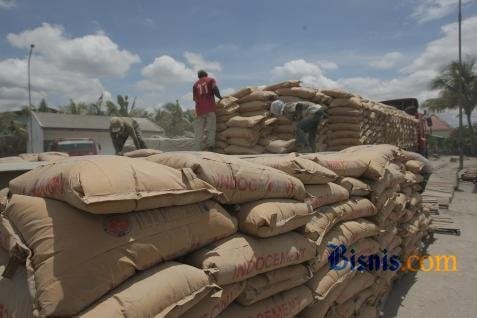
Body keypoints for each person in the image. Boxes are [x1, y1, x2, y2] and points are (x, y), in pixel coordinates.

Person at [193, 70, 222, 151]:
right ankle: (210, 147)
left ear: (198, 76)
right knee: (211, 129)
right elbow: (215, 88)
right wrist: (220, 97)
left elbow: (194, 99)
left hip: (199, 111)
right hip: (210, 108)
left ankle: (197, 149)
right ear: (206, 74)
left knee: (199, 131)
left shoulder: (195, 84)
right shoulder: (211, 80)